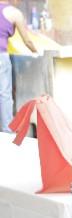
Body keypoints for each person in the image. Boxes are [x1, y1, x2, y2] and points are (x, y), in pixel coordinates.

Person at [0, 0, 37, 133]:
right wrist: (36, 52)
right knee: (4, 94)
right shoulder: (14, 13)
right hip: (1, 57)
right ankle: (6, 132)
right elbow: (27, 40)